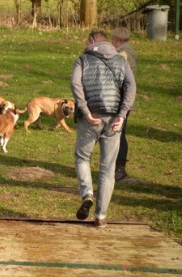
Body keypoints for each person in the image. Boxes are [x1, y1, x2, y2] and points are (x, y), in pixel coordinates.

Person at [71, 30, 136, 228]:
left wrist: (84, 109)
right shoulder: (121, 60)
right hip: (113, 119)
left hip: (90, 117)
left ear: (91, 41)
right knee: (107, 169)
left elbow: (75, 84)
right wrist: (122, 114)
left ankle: (87, 193)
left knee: (83, 158)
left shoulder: (82, 60)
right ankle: (100, 216)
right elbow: (131, 87)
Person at [111, 27, 138, 181]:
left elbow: (118, 78)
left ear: (117, 40)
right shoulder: (130, 52)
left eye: (112, 39)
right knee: (121, 132)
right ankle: (118, 167)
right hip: (127, 98)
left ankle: (119, 168)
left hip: (121, 99)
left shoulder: (122, 54)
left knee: (119, 133)